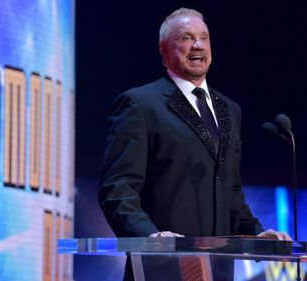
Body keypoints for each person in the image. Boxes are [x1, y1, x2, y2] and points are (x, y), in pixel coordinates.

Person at [98, 7, 291, 280]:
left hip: (219, 269)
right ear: (164, 50)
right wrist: (151, 238)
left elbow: (230, 194)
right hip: (162, 268)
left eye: (204, 37)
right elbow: (116, 189)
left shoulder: (229, 109)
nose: (198, 45)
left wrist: (256, 234)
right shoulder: (140, 104)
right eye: (187, 38)